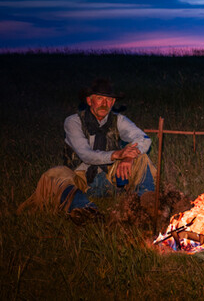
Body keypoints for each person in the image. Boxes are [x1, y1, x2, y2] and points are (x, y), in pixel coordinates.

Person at [18, 78, 156, 224]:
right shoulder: (73, 122)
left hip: (112, 178)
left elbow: (144, 138)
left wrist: (129, 158)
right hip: (81, 180)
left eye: (109, 100)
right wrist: (117, 154)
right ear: (89, 101)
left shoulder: (118, 120)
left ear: (113, 102)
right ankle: (85, 210)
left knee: (141, 158)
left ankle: (146, 206)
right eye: (99, 99)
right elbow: (86, 154)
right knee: (55, 174)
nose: (104, 104)